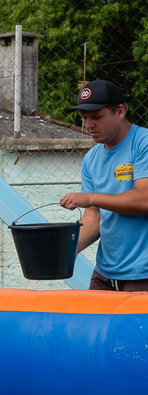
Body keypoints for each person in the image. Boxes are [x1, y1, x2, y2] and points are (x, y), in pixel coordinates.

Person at [60, 79, 148, 290]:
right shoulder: (91, 159)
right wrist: (67, 251)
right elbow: (94, 217)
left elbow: (144, 200)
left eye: (96, 117)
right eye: (84, 118)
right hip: (104, 274)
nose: (89, 125)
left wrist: (90, 198)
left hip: (142, 274)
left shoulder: (142, 143)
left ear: (120, 111)